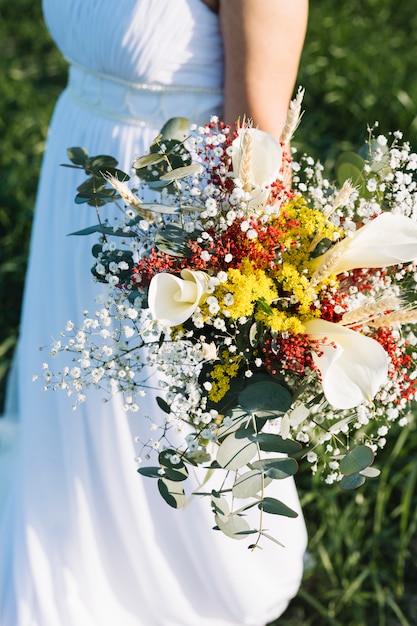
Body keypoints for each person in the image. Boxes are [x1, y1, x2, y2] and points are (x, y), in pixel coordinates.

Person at [0, 1, 309, 624]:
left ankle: (174, 578)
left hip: (168, 217)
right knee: (71, 395)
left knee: (154, 417)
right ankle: (68, 540)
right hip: (79, 169)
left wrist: (228, 276)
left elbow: (258, 141)